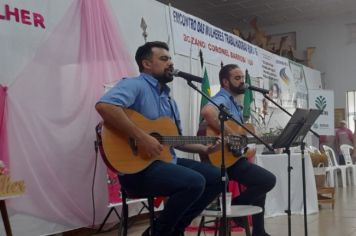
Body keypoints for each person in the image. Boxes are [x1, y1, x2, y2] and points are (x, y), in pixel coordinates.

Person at [95, 41, 224, 236]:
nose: (170, 63)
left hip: (163, 163)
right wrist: (143, 137)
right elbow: (105, 106)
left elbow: (176, 140)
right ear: (147, 64)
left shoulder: (169, 100)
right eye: (164, 59)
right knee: (194, 181)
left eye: (170, 58)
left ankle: (174, 230)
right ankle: (159, 232)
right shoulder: (135, 85)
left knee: (218, 177)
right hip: (136, 170)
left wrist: (206, 150)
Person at [201, 64, 276, 236]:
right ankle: (235, 205)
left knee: (260, 184)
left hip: (234, 159)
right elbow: (207, 112)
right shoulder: (223, 98)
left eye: (242, 78)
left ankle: (259, 232)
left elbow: (240, 133)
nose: (242, 82)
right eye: (237, 78)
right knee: (267, 180)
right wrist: (234, 134)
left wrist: (251, 136)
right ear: (225, 82)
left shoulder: (234, 103)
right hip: (222, 161)